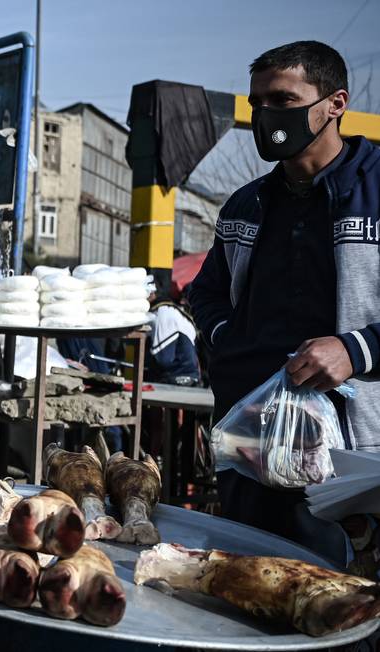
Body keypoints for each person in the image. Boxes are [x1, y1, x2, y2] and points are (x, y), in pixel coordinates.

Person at [189, 41, 380, 564]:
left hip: (353, 461)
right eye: (257, 103)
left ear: (335, 104)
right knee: (244, 593)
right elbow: (205, 290)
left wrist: (356, 350)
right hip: (251, 446)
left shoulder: (376, 189)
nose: (266, 116)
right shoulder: (247, 202)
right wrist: (229, 342)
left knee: (346, 609)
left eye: (283, 98)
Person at [146, 291, 200, 386]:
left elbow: (164, 359)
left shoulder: (164, 313)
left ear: (152, 293)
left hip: (178, 378)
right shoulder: (173, 310)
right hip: (189, 376)